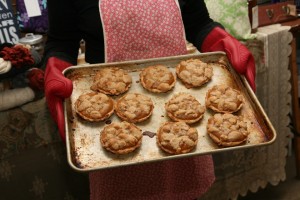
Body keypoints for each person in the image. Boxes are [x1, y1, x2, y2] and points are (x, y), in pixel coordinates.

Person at [43, 0, 256, 199]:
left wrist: (219, 40)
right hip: (114, 125)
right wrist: (56, 67)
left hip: (179, 116)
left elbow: (198, 23)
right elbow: (62, 40)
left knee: (183, 188)